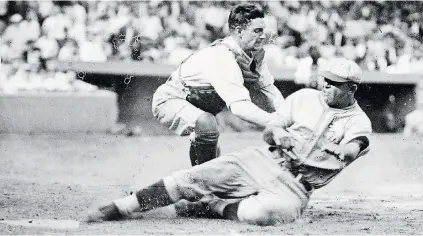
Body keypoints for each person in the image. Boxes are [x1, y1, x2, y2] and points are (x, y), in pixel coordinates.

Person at [86, 58, 372, 226]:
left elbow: (354, 148)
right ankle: (123, 206)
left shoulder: (358, 121)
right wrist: (277, 133)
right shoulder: (303, 98)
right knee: (192, 177)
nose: (326, 85)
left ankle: (214, 207)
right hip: (263, 161)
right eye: (326, 79)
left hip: (297, 187)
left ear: (352, 89)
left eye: (334, 83)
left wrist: (341, 150)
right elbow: (269, 132)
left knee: (262, 214)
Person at [151, 3, 284, 166]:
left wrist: (288, 117)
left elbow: (269, 90)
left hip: (200, 108)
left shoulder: (255, 55)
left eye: (263, 30)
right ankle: (202, 184)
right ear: (239, 31)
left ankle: (201, 181)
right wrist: (276, 121)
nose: (263, 36)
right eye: (257, 31)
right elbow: (240, 108)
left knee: (214, 162)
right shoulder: (222, 56)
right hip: (171, 99)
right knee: (207, 126)